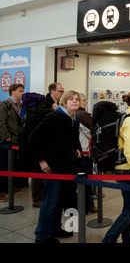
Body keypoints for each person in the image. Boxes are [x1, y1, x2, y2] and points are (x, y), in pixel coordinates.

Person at [29, 90, 82, 243]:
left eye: (77, 99)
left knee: (59, 200)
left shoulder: (73, 118)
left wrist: (76, 147)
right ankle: (42, 235)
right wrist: (42, 161)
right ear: (64, 102)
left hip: (66, 165)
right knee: (51, 201)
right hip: (52, 166)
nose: (74, 101)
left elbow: (73, 137)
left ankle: (55, 229)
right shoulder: (54, 116)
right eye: (71, 99)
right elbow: (34, 138)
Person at [102, 90, 130, 243]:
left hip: (125, 168)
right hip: (128, 170)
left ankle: (128, 238)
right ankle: (109, 239)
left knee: (128, 206)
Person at [0, 83, 25, 201]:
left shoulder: (20, 105)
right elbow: (1, 122)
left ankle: (10, 186)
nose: (22, 93)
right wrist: (6, 137)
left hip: (16, 139)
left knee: (13, 164)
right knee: (3, 165)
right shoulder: (5, 105)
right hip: (7, 142)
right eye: (20, 91)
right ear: (13, 92)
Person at [76, 93, 96, 214]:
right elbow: (91, 132)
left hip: (82, 151)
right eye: (83, 100)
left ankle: (87, 205)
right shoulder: (82, 115)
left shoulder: (77, 115)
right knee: (85, 181)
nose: (86, 102)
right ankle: (87, 205)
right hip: (84, 152)